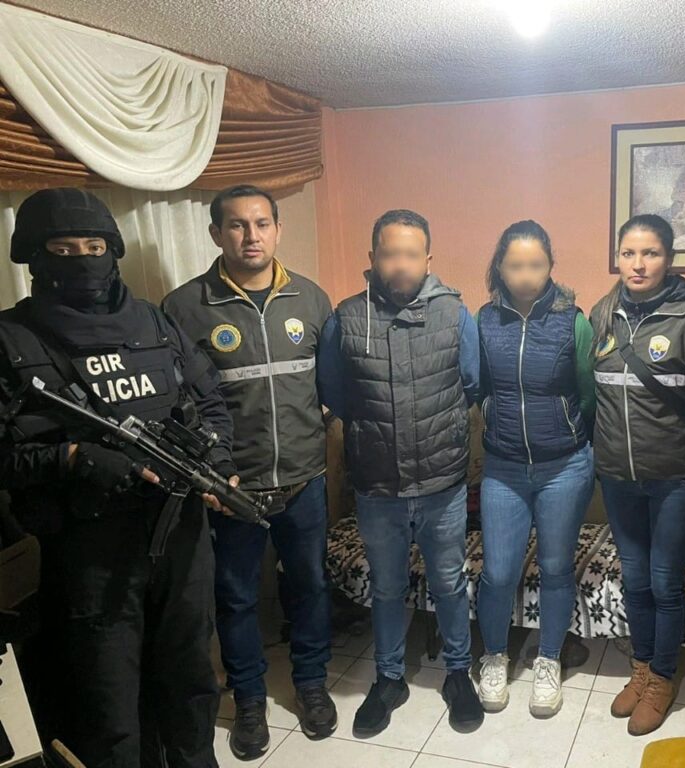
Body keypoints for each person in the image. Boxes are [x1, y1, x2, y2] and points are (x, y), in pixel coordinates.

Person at [0, 188, 234, 768]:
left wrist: (219, 464)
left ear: (113, 250)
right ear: (35, 256)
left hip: (180, 534)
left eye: (94, 246)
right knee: (109, 703)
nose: (83, 260)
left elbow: (210, 402)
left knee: (190, 678)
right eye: (64, 249)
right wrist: (71, 457)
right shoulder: (11, 339)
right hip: (90, 550)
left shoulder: (154, 321)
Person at [162, 184, 336, 759]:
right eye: (237, 225)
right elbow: (180, 404)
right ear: (217, 233)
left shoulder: (311, 299)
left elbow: (330, 386)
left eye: (262, 223)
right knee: (235, 598)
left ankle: (312, 684)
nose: (251, 236)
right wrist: (212, 474)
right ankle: (250, 699)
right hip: (232, 489)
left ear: (278, 230)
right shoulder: (185, 308)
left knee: (309, 586)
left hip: (305, 479)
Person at [317, 209, 484, 736]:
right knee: (386, 588)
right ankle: (389, 678)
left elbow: (473, 384)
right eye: (390, 253)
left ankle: (458, 672)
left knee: (450, 583)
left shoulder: (455, 314)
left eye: (411, 254)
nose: (401, 264)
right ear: (373, 258)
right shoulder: (347, 318)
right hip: (377, 486)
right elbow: (335, 393)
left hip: (442, 483)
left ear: (428, 260)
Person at [591, 213, 685, 737]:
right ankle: (642, 667)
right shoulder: (602, 313)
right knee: (634, 577)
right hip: (618, 477)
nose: (638, 264)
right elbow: (594, 394)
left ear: (669, 259)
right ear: (617, 258)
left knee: (665, 581)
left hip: (675, 476)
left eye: (649, 253)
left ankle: (663, 679)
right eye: (628, 253)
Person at [474, 220, 595, 718]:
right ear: (500, 268)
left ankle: (548, 659)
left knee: (555, 567)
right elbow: (478, 385)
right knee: (498, 571)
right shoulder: (484, 320)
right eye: (515, 265)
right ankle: (494, 656)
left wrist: (568, 434)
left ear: (550, 267)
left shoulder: (573, 321)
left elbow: (588, 393)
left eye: (536, 265)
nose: (526, 275)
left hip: (564, 466)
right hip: (503, 468)